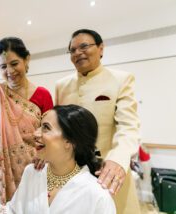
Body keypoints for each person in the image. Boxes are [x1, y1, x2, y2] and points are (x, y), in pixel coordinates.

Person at [0, 105, 116, 213]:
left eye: (46, 128)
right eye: (40, 126)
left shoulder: (96, 194)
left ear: (70, 141)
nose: (35, 133)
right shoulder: (32, 173)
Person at [55, 29, 141, 214]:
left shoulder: (121, 79)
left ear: (101, 48)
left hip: (109, 173)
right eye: (72, 50)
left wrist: (118, 160)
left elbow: (128, 127)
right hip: (72, 174)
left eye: (84, 46)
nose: (78, 52)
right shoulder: (61, 86)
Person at [0, 37, 53, 207]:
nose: (9, 71)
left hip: (34, 167)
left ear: (26, 60)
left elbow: (50, 131)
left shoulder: (42, 95)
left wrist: (45, 155)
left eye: (14, 63)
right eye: (3, 66)